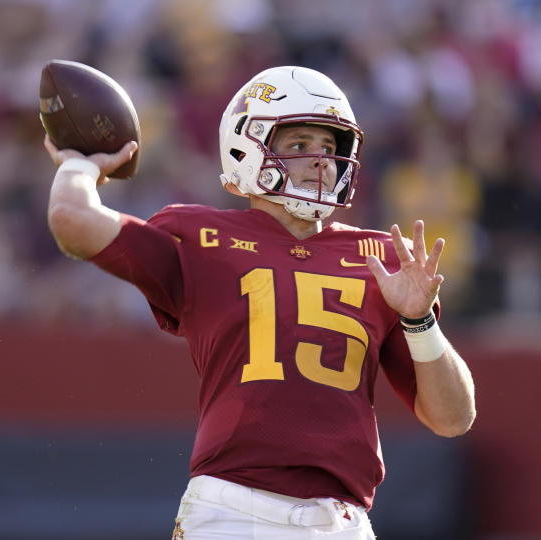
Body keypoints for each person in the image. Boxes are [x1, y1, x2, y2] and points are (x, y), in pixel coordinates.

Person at [44, 66, 476, 540]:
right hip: (235, 512)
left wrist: (418, 321)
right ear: (245, 149)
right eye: (299, 145)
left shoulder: (381, 260)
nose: (321, 161)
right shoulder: (200, 236)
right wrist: (79, 164)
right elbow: (73, 220)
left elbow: (454, 417)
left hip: (344, 522)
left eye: (330, 148)